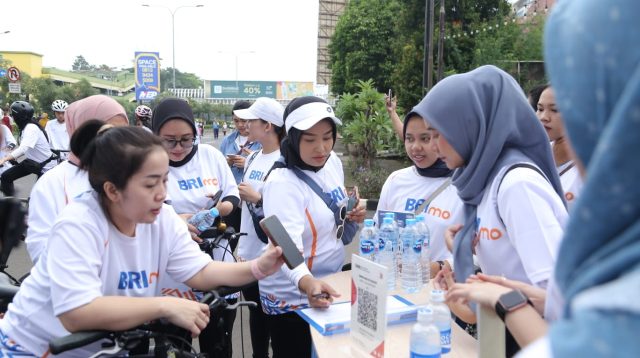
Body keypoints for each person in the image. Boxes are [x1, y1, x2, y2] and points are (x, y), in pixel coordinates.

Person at [446, 1, 640, 356]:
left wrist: (512, 303)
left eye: (568, 103)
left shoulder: (515, 182)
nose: (436, 143)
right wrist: (531, 298)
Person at [0, 126, 284, 357]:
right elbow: (77, 312)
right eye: (150, 184)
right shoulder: (78, 224)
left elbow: (200, 271)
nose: (162, 193)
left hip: (103, 349)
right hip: (32, 348)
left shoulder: (162, 218)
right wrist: (164, 305)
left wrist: (259, 267)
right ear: (112, 190)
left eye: (164, 180)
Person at [260, 96, 365, 357]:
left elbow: (332, 212)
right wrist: (306, 282)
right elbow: (285, 245)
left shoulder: (332, 163)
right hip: (294, 297)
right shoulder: (282, 183)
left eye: (328, 137)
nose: (321, 148)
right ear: (292, 138)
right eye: (309, 139)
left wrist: (352, 212)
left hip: (329, 284)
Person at [152, 98, 240, 357]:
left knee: (218, 338)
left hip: (215, 250)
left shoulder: (209, 156)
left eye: (186, 139)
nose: (178, 147)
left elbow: (232, 199)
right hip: (171, 265)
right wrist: (177, 221)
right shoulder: (146, 161)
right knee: (175, 343)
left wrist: (213, 211)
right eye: (169, 140)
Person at [25, 94, 130, 263]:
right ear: (82, 132)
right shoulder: (53, 183)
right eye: (107, 133)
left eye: (123, 133)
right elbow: (41, 249)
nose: (116, 141)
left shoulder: (132, 173)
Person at [375, 110, 462, 277]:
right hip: (395, 289)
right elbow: (378, 232)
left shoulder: (464, 186)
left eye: (425, 138)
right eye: (409, 138)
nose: (415, 147)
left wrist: (439, 267)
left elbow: (481, 253)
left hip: (443, 292)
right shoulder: (396, 180)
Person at [234, 97, 285, 358]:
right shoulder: (253, 157)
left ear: (267, 126)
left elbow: (285, 213)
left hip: (272, 257)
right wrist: (241, 247)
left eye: (251, 120)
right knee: (254, 317)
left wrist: (258, 199)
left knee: (274, 322)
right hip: (249, 254)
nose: (245, 124)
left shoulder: (285, 160)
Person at [536, 85, 583, 209]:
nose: (544, 117)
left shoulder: (590, 165)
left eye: (555, 110)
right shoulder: (534, 156)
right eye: (540, 109)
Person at [220, 100, 263, 235]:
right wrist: (227, 163)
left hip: (252, 198)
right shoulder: (228, 140)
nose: (240, 125)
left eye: (243, 120)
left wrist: (248, 163)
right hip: (232, 197)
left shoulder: (261, 140)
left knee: (251, 235)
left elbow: (268, 166)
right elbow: (219, 168)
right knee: (228, 237)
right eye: (236, 121)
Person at [0, 101, 55, 197]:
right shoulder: (26, 127)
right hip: (33, 163)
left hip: (46, 167)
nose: (12, 117)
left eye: (13, 115)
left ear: (18, 117)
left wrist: (4, 159)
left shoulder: (31, 128)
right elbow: (26, 148)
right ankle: (11, 204)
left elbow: (23, 148)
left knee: (37, 196)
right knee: (6, 177)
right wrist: (13, 157)